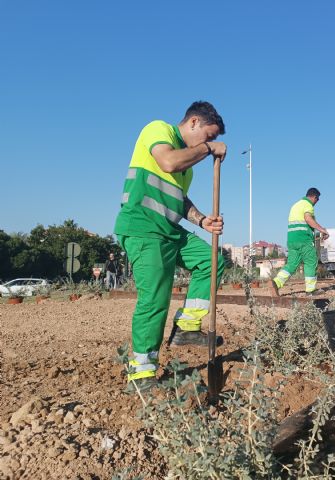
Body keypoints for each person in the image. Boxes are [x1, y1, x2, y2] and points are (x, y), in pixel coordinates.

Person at [114, 101, 227, 393]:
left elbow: (180, 200)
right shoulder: (158, 130)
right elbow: (168, 162)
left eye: (213, 140)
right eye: (209, 136)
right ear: (193, 123)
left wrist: (202, 220)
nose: (211, 143)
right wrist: (207, 150)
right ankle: (141, 374)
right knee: (155, 299)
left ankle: (186, 329)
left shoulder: (187, 168)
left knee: (212, 259)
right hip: (143, 229)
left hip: (170, 231)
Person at [270, 188, 329, 296]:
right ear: (314, 197)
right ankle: (310, 290)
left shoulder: (295, 205)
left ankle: (277, 282)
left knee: (291, 264)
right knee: (311, 262)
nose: (317, 201)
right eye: (317, 199)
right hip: (304, 240)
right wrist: (322, 230)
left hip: (292, 240)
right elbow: (308, 219)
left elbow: (301, 224)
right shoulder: (308, 205)